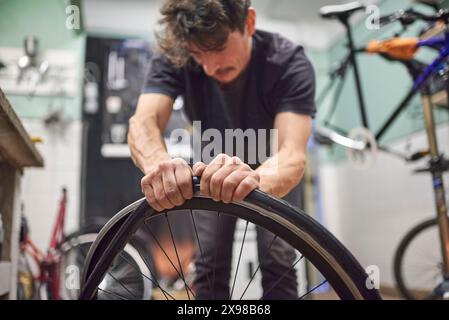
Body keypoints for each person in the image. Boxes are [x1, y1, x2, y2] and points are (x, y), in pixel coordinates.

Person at [128, 0, 315, 299]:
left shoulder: (288, 61)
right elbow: (143, 122)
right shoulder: (176, 53)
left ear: (249, 22)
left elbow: (292, 153)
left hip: (272, 164)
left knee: (277, 260)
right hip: (209, 164)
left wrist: (253, 180)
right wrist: (158, 166)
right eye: (198, 54)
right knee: (209, 262)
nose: (209, 66)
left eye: (218, 47)